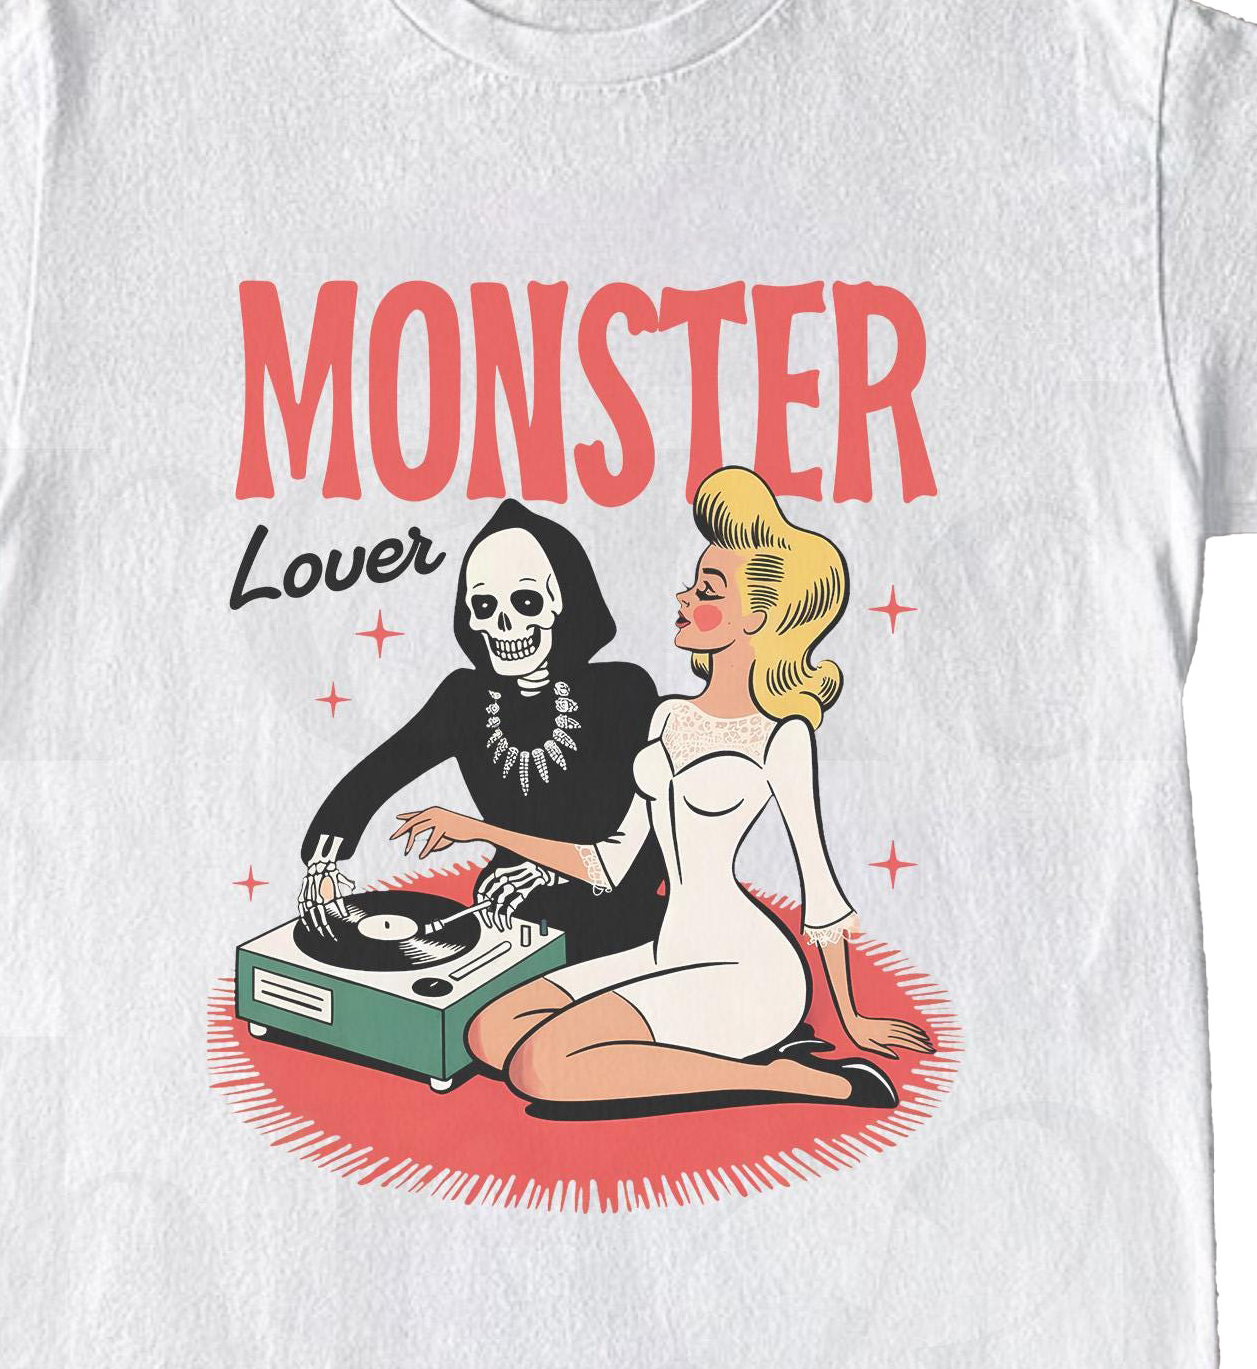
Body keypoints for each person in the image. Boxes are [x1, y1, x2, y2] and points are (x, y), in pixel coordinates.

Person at [393, 468, 932, 1110]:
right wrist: (475, 830)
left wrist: (852, 1018)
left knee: (540, 1066)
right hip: (669, 947)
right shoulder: (667, 717)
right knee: (489, 1032)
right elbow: (609, 862)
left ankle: (801, 1079)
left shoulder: (783, 736)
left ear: (757, 616)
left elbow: (822, 895)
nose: (684, 597)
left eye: (707, 590)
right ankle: (707, 1056)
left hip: (748, 970)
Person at [298, 501, 665, 957]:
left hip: (613, 919)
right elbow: (377, 774)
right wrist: (323, 861)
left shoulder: (623, 690)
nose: (504, 624)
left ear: (565, 602)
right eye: (485, 606)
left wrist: (544, 870)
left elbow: (640, 839)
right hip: (500, 913)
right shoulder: (466, 698)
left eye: (527, 602)